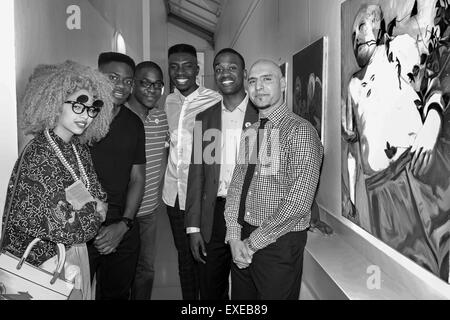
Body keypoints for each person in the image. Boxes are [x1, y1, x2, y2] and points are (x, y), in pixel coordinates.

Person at [341, 3, 449, 281]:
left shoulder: (397, 51)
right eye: (354, 31)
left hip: (414, 170)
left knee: (440, 256)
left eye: (362, 26)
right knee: (400, 275)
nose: (357, 36)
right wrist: (351, 200)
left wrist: (432, 123)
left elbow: (432, 82)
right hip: (380, 189)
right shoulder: (353, 86)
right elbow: (353, 149)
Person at [1, 60, 113, 300]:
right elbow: (64, 223)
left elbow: (99, 195)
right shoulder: (39, 153)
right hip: (40, 265)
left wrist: (91, 208)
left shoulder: (77, 148)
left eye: (93, 108)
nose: (87, 116)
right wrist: (93, 210)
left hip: (70, 256)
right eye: (78, 106)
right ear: (54, 103)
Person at [224, 59, 323, 299]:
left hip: (279, 244)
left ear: (283, 83)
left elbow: (298, 202)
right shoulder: (250, 132)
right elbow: (237, 185)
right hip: (244, 239)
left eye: (267, 79)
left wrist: (252, 243)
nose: (259, 87)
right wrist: (235, 235)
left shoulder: (300, 131)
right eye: (253, 81)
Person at [185, 48, 258, 300]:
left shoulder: (262, 116)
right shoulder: (205, 119)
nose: (224, 73)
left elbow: (278, 173)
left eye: (232, 67)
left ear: (244, 74)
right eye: (218, 68)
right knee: (211, 287)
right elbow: (197, 175)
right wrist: (193, 227)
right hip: (214, 215)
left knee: (247, 288)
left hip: (251, 213)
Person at [162, 44, 221, 300]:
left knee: (205, 258)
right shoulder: (169, 102)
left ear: (198, 69)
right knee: (184, 258)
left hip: (202, 196)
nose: (180, 72)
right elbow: (170, 144)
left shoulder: (215, 100)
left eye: (187, 65)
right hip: (174, 195)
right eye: (174, 66)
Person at [88, 52, 146, 299]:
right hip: (79, 228)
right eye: (113, 77)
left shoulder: (133, 124)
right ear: (96, 77)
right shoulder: (80, 118)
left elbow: (137, 178)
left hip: (121, 226)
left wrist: (123, 225)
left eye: (128, 80)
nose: (121, 85)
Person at [127, 61, 169, 300]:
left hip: (150, 211)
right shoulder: (119, 119)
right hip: (123, 212)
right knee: (121, 271)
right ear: (133, 84)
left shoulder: (160, 118)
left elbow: (170, 148)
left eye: (157, 85)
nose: (152, 90)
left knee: (146, 270)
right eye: (145, 83)